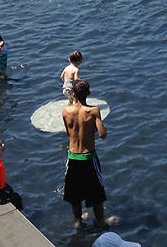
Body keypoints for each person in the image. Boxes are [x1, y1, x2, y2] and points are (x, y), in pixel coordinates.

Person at [62, 79, 108, 229]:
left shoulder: (65, 111)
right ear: (88, 93)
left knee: (75, 196)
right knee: (97, 196)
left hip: (73, 157)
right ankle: (100, 222)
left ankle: (78, 222)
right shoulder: (94, 111)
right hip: (89, 157)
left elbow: (69, 133)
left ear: (73, 94)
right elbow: (102, 134)